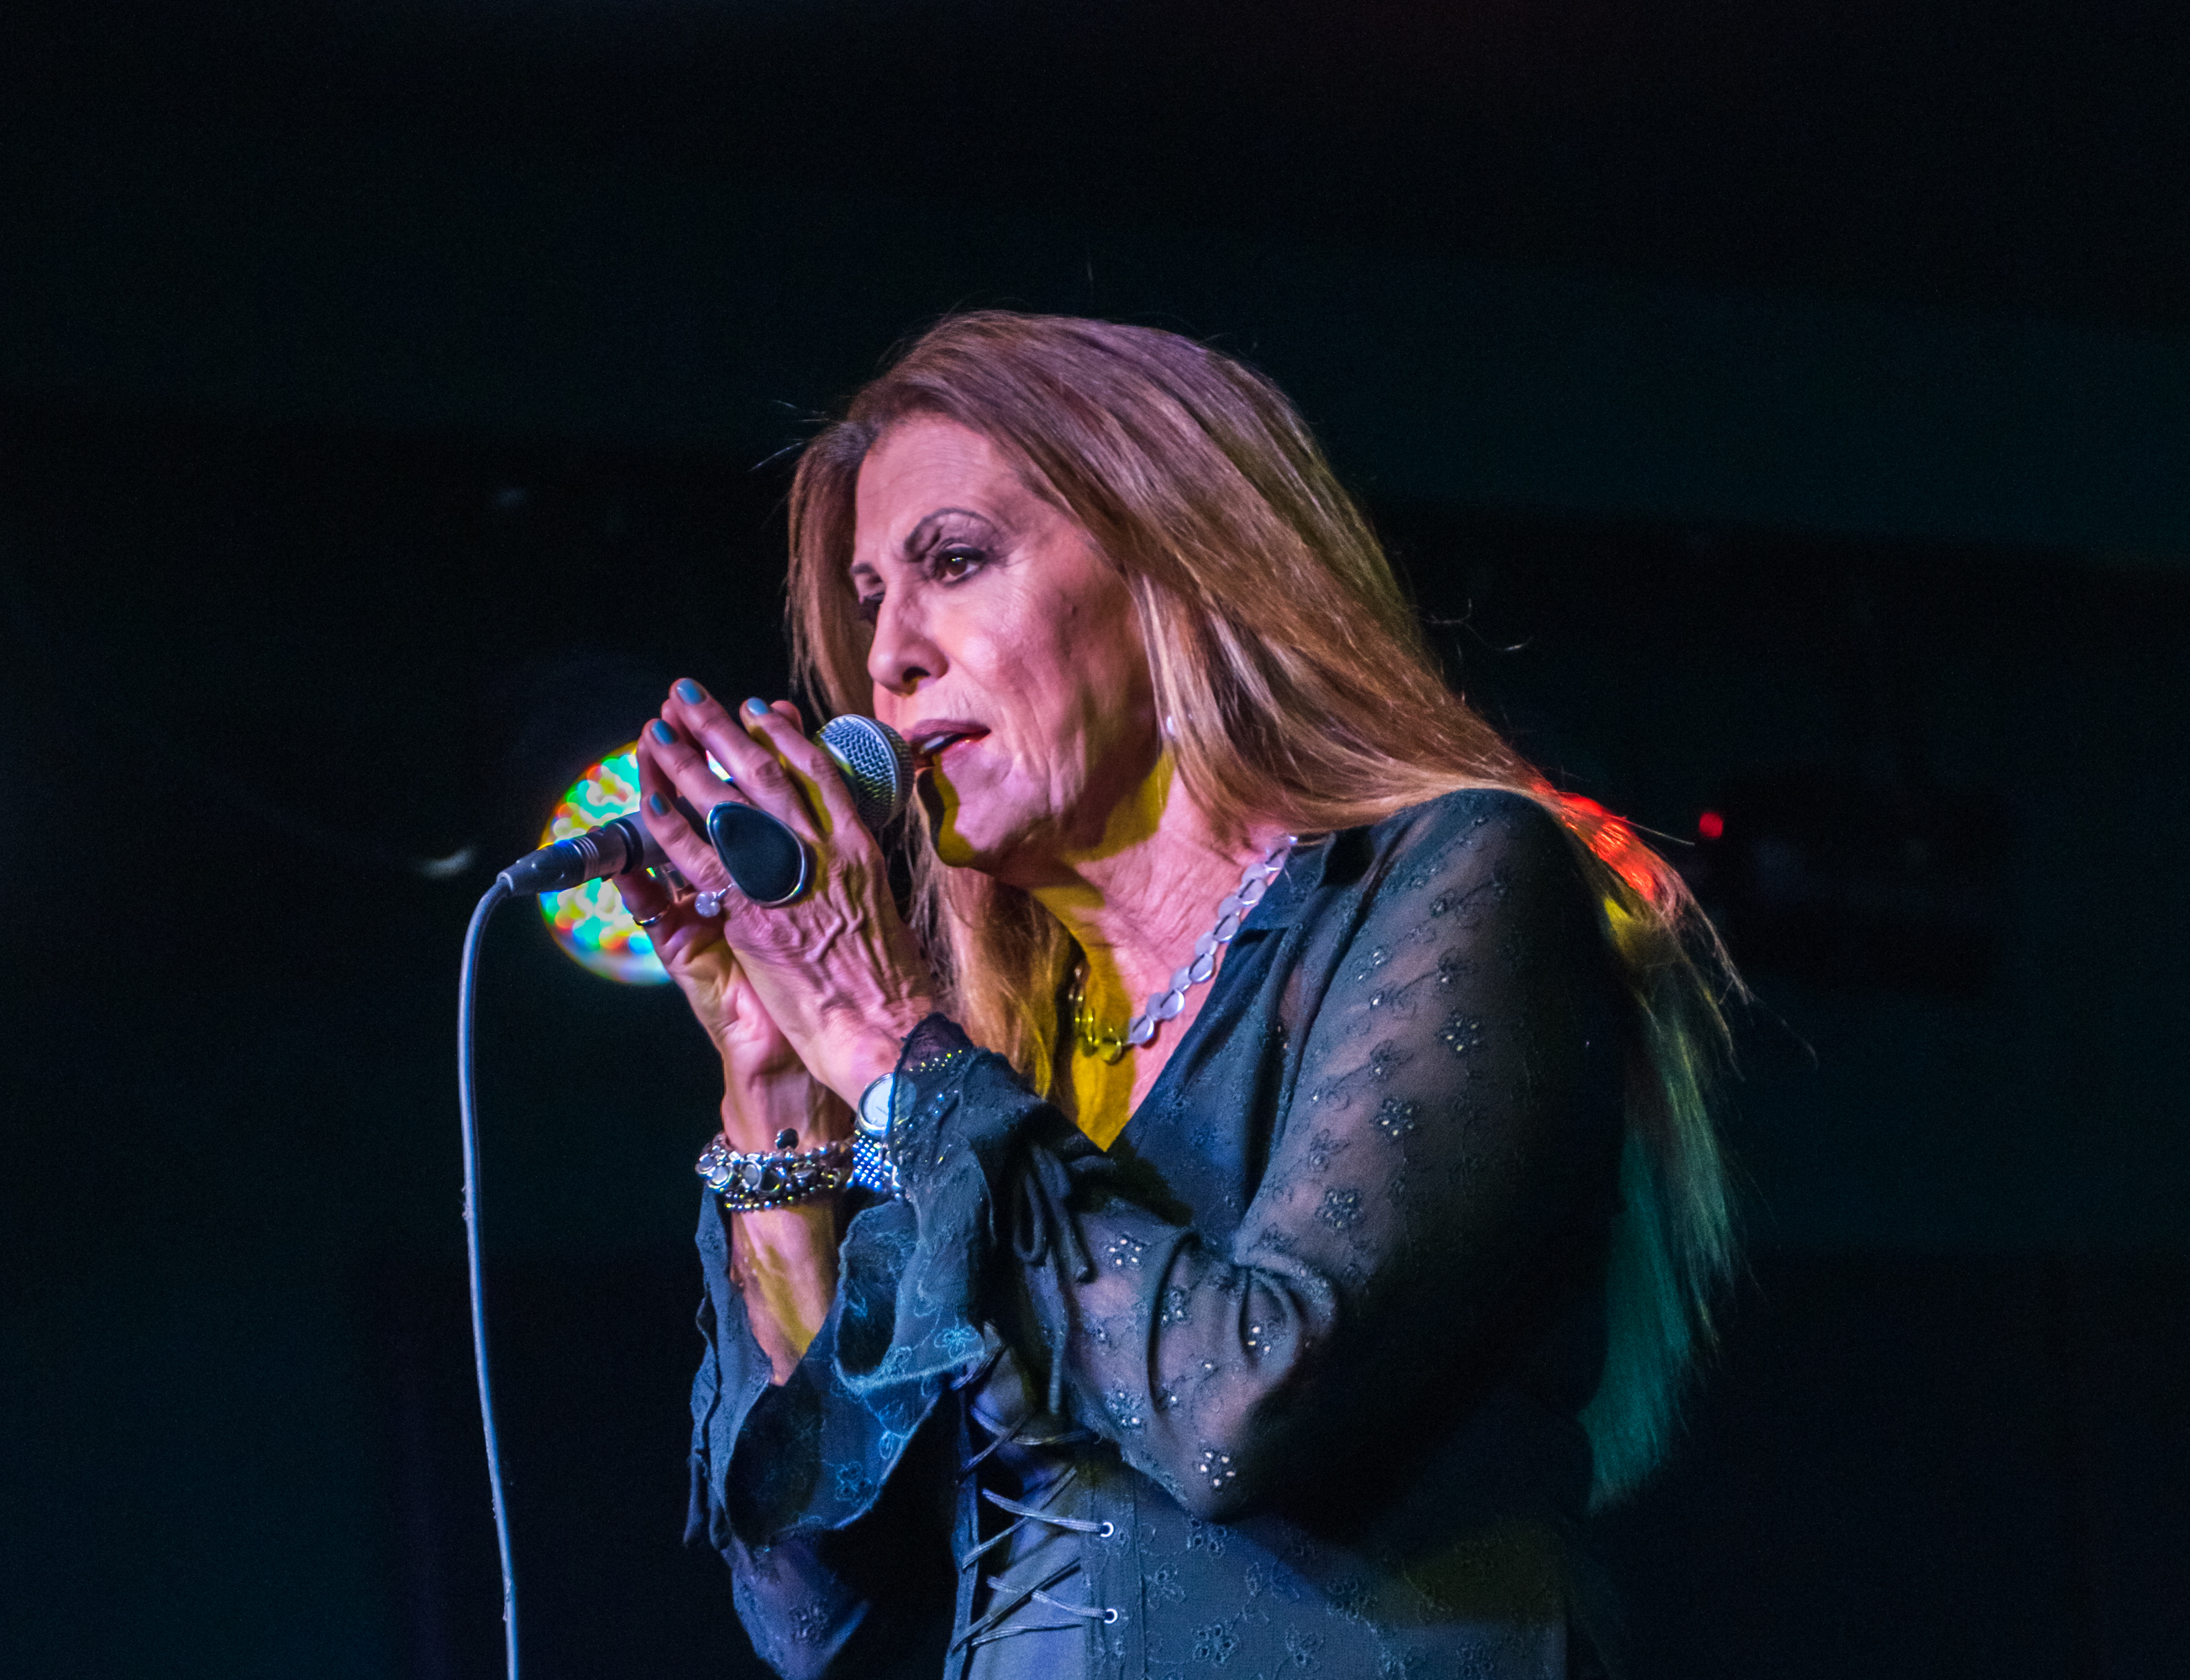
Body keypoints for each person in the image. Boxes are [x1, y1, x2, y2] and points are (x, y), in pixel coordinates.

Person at [612, 312, 1736, 1680]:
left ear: (1179, 568)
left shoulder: (1453, 880)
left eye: (954, 562)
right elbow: (822, 1614)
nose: (889, 654)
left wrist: (883, 1044)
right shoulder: (982, 1063)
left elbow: (1241, 1402)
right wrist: (779, 1097)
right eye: (867, 603)